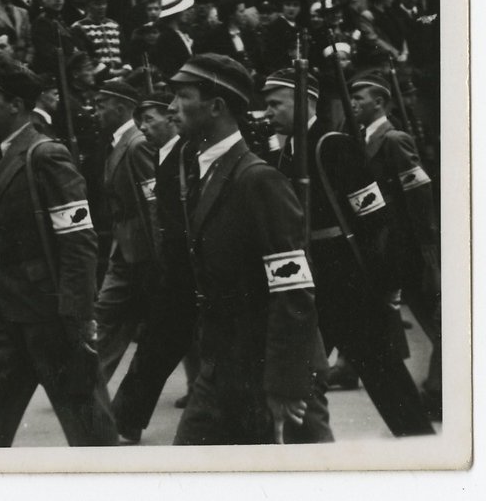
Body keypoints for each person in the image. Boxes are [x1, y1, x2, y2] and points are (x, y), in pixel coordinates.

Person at [0, 61, 117, 447]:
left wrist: (78, 316)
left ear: (15, 105)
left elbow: (78, 240)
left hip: (51, 315)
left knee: (87, 424)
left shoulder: (45, 155)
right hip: (2, 313)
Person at [262, 69, 434, 436]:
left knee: (384, 375)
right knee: (298, 375)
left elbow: (376, 219)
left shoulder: (332, 145)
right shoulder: (284, 153)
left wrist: (385, 281)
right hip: (310, 282)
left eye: (275, 103)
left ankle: (420, 444)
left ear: (304, 101)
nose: (268, 112)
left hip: (349, 283)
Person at [169, 54, 331, 445]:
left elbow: (292, 288)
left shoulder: (258, 180)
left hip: (266, 370)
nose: (171, 107)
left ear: (216, 107)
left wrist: (285, 384)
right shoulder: (201, 168)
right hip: (221, 367)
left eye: (183, 96)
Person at [349, 71, 442, 419]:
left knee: (432, 317)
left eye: (360, 98)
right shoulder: (361, 138)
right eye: (351, 97)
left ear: (380, 103)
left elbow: (419, 193)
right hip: (382, 243)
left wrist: (427, 247)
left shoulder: (394, 139)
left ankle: (439, 389)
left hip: (404, 244)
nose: (353, 103)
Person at [111, 84, 198, 444]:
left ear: (171, 119)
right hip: (172, 268)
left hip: (186, 268)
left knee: (160, 346)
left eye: (150, 119)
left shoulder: (186, 154)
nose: (143, 127)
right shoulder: (165, 155)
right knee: (158, 345)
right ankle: (125, 418)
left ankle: (126, 418)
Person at [93, 78, 159, 382]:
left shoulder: (137, 144)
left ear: (120, 108)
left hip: (141, 249)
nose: (96, 112)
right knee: (109, 315)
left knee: (113, 315)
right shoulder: (120, 143)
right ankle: (89, 384)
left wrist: (158, 252)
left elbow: (152, 202)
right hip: (126, 247)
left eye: (101, 105)